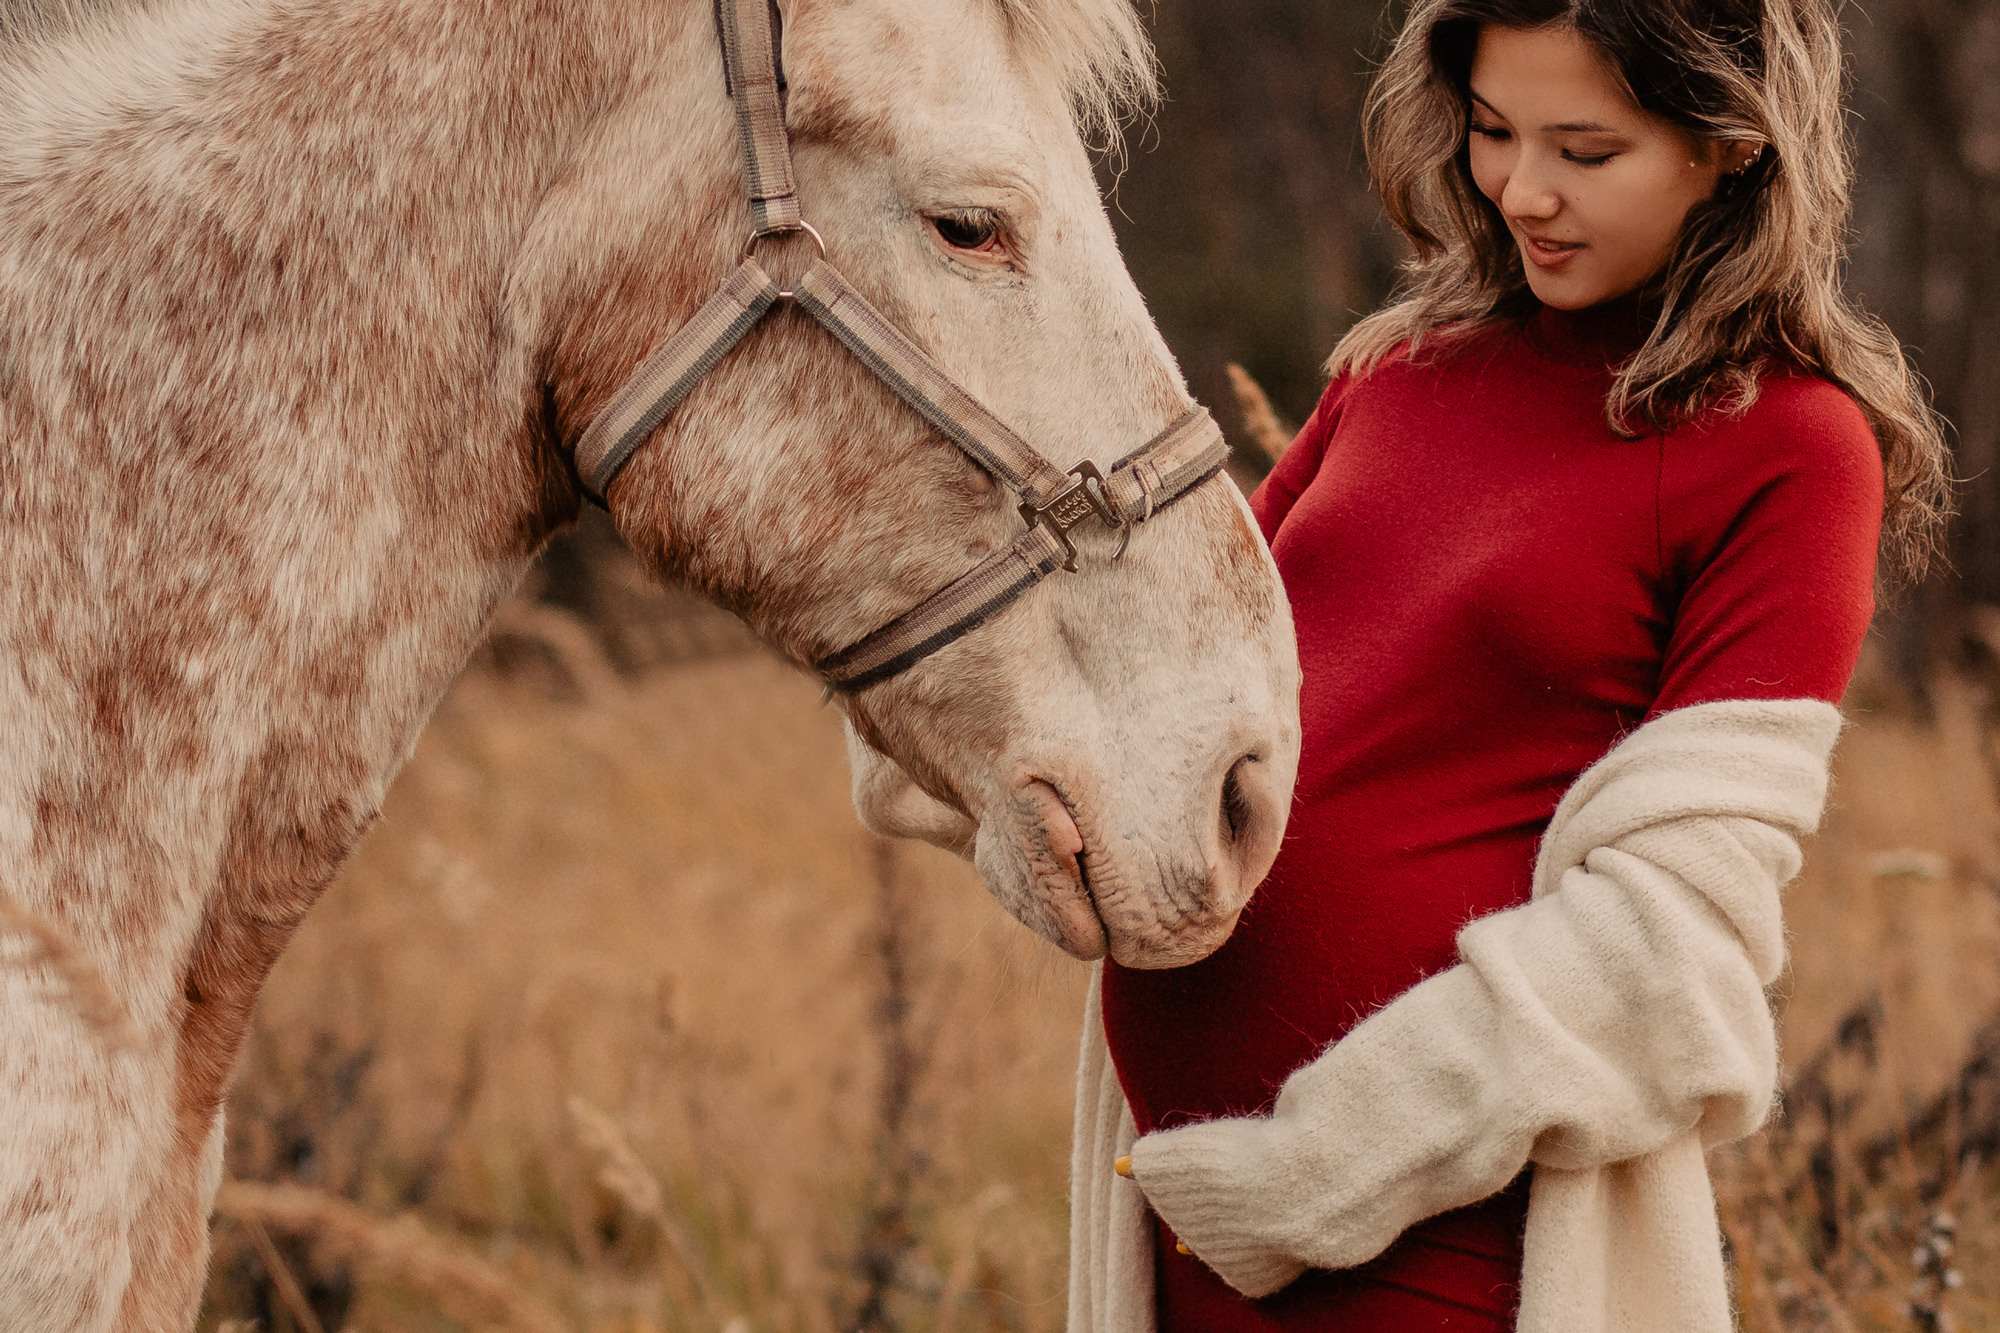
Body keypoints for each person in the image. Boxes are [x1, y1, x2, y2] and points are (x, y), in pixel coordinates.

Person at [1066, 0, 1952, 1329]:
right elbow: (1177, 688)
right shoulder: (1397, 371)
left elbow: (1668, 941)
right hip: (1180, 1212)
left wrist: (1316, 1170)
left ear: (1731, 144)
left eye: (1586, 151)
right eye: (1491, 132)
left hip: (1449, 1237)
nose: (1523, 190)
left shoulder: (1789, 445)